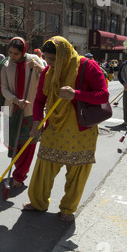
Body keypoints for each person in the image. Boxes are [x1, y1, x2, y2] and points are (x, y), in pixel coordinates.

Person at [23, 36, 109, 222]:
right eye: (46, 59)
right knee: (44, 167)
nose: (49, 63)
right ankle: (38, 202)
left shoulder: (87, 66)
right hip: (54, 127)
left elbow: (103, 96)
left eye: (53, 59)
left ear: (64, 54)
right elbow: (39, 101)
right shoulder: (48, 72)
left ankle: (68, 209)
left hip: (81, 131)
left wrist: (75, 94)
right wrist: (37, 122)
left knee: (76, 172)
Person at [0, 37, 44, 189]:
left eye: (16, 53)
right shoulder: (5, 64)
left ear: (24, 51)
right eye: (10, 52)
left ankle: (19, 176)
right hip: (12, 111)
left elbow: (47, 79)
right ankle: (20, 170)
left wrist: (39, 68)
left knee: (28, 146)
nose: (12, 56)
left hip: (31, 111)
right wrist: (17, 100)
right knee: (15, 146)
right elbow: (4, 89)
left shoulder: (34, 59)